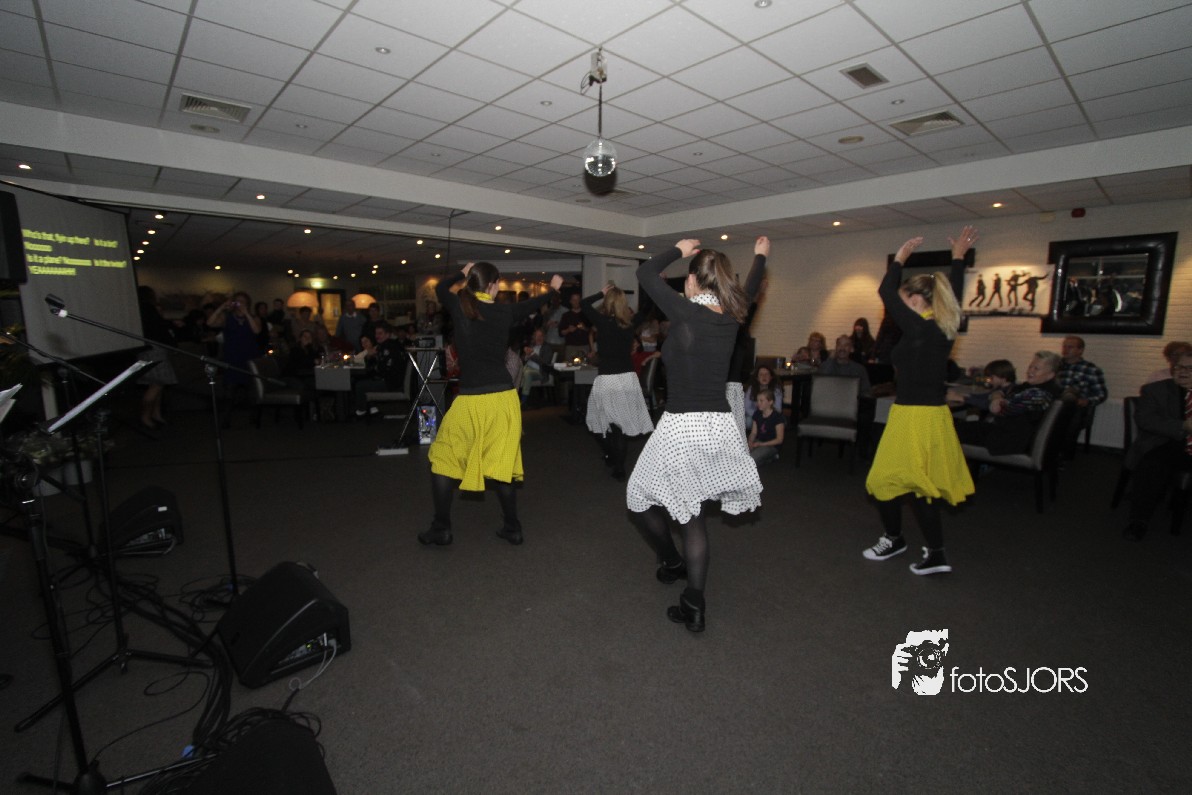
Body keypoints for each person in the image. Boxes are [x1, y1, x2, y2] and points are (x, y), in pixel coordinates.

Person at [627, 239, 762, 633]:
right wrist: (760, 257)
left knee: (638, 499)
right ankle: (692, 598)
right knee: (693, 516)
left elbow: (645, 273)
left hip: (682, 427)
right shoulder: (733, 314)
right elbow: (751, 287)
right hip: (719, 426)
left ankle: (673, 563)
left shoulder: (685, 311)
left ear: (691, 282)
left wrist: (678, 248)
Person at [419, 262, 563, 548]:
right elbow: (535, 303)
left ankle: (441, 528)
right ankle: (513, 528)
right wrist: (553, 289)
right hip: (502, 399)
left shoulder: (459, 305)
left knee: (443, 460)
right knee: (502, 463)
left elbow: (441, 287)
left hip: (470, 400)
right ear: (494, 285)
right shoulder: (504, 311)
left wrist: (462, 272)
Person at [862, 227, 976, 576]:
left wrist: (899, 259)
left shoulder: (922, 328)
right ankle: (909, 543)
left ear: (917, 300)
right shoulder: (942, 327)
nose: (900, 304)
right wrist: (958, 258)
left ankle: (916, 546)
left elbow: (885, 291)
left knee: (901, 484)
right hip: (920, 416)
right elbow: (953, 297)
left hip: (917, 418)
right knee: (904, 484)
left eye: (905, 298)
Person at [582, 282, 655, 480]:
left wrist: (601, 292)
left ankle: (612, 457)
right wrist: (657, 284)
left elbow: (584, 304)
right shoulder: (630, 323)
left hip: (607, 380)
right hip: (627, 380)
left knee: (598, 423)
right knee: (618, 428)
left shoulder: (602, 322)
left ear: (608, 303)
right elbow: (648, 306)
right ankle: (619, 468)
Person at [1122, 351, 1192, 540]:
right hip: (1166, 441)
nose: (1183, 372)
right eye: (1179, 367)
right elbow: (1146, 420)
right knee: (1152, 464)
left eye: (1190, 368)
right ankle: (1139, 521)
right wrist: (1182, 426)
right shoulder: (1156, 390)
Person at [953, 352, 1062, 455]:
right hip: (1008, 433)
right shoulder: (1039, 388)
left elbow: (998, 408)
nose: (1030, 371)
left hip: (1008, 441)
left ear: (1050, 375)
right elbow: (1004, 393)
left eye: (1036, 369)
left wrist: (997, 397)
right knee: (960, 427)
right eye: (1030, 367)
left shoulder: (1037, 395)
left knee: (950, 430)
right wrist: (998, 395)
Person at [725, 236, 770, 439]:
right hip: (725, 382)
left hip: (731, 381)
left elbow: (748, 306)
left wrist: (758, 294)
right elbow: (747, 300)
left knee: (732, 428)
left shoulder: (737, 322)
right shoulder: (727, 321)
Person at [136, 286, 179, 430]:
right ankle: (145, 416)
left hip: (146, 349)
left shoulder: (138, 310)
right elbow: (159, 330)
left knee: (157, 384)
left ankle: (156, 414)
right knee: (157, 384)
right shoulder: (148, 309)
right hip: (154, 350)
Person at [206, 291, 261, 400]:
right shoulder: (227, 317)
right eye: (238, 301)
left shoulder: (254, 318)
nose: (240, 304)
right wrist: (221, 308)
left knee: (250, 388)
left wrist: (246, 314)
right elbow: (210, 323)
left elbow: (256, 331)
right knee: (230, 388)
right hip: (232, 356)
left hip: (249, 355)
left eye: (243, 301)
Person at [352, 323, 408, 417]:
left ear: (387, 334)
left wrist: (370, 361)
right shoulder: (391, 344)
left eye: (380, 333)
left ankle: (361, 411)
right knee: (366, 381)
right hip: (395, 381)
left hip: (391, 383)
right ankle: (373, 409)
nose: (377, 336)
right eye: (376, 333)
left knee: (359, 385)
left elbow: (382, 369)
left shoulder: (386, 347)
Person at [519, 327, 556, 405]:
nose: (539, 338)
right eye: (537, 336)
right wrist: (526, 356)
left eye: (541, 336)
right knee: (515, 372)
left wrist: (532, 354)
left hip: (540, 371)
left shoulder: (547, 347)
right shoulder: (531, 345)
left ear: (544, 337)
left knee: (527, 373)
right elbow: (521, 360)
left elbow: (545, 363)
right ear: (534, 337)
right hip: (526, 368)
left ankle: (523, 400)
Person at [747, 388, 785, 465]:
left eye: (761, 401)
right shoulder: (757, 413)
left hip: (772, 445)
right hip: (758, 441)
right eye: (757, 400)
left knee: (750, 460)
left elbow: (779, 440)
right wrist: (750, 441)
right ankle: (767, 458)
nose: (758, 403)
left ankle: (772, 456)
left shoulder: (777, 417)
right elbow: (753, 432)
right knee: (740, 454)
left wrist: (761, 444)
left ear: (770, 402)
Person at [559, 293, 589, 362]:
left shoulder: (586, 314)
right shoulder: (566, 315)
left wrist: (584, 328)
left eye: (578, 300)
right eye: (574, 300)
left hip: (584, 346)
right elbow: (561, 333)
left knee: (584, 367)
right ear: (570, 301)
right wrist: (568, 330)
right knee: (570, 367)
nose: (576, 302)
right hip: (571, 347)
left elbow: (593, 332)